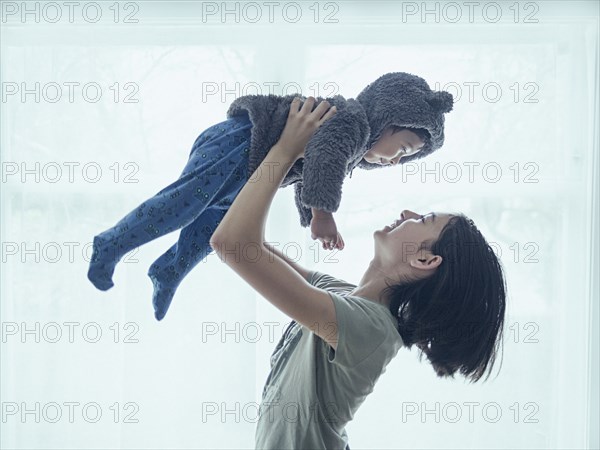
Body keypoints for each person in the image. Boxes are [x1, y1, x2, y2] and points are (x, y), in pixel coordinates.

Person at [209, 97, 507, 450]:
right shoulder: (344, 297)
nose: (409, 212)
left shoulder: (372, 329)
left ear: (426, 261)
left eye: (424, 220)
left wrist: (287, 148)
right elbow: (241, 239)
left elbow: (233, 244)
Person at [87, 72, 454, 321]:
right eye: (403, 147)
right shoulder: (351, 121)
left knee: (209, 229)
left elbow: (309, 172)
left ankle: (169, 269)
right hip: (238, 143)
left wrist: (310, 216)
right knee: (181, 206)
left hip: (251, 171)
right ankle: (111, 243)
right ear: (387, 117)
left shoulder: (352, 148)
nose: (397, 158)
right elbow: (324, 161)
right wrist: (323, 213)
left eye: (407, 157)